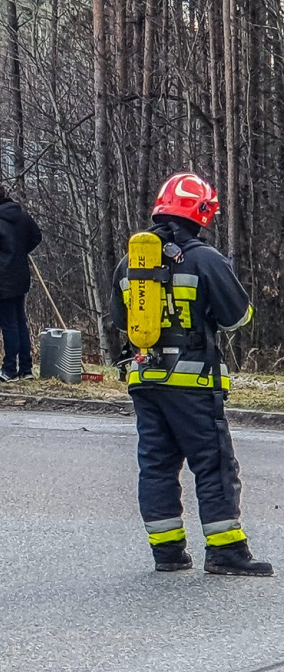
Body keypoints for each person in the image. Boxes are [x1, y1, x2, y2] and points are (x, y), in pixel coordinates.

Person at [109, 172, 272, 576]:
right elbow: (238, 317)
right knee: (214, 464)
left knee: (157, 464)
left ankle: (167, 552)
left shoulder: (130, 262)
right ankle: (226, 553)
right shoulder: (204, 259)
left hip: (144, 380)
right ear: (201, 212)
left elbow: (118, 320)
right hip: (194, 382)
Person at [0, 181, 42, 383]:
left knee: (8, 324)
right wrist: (20, 251)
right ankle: (26, 368)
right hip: (20, 274)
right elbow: (36, 236)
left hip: (1, 278)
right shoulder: (21, 215)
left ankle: (9, 369)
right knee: (20, 321)